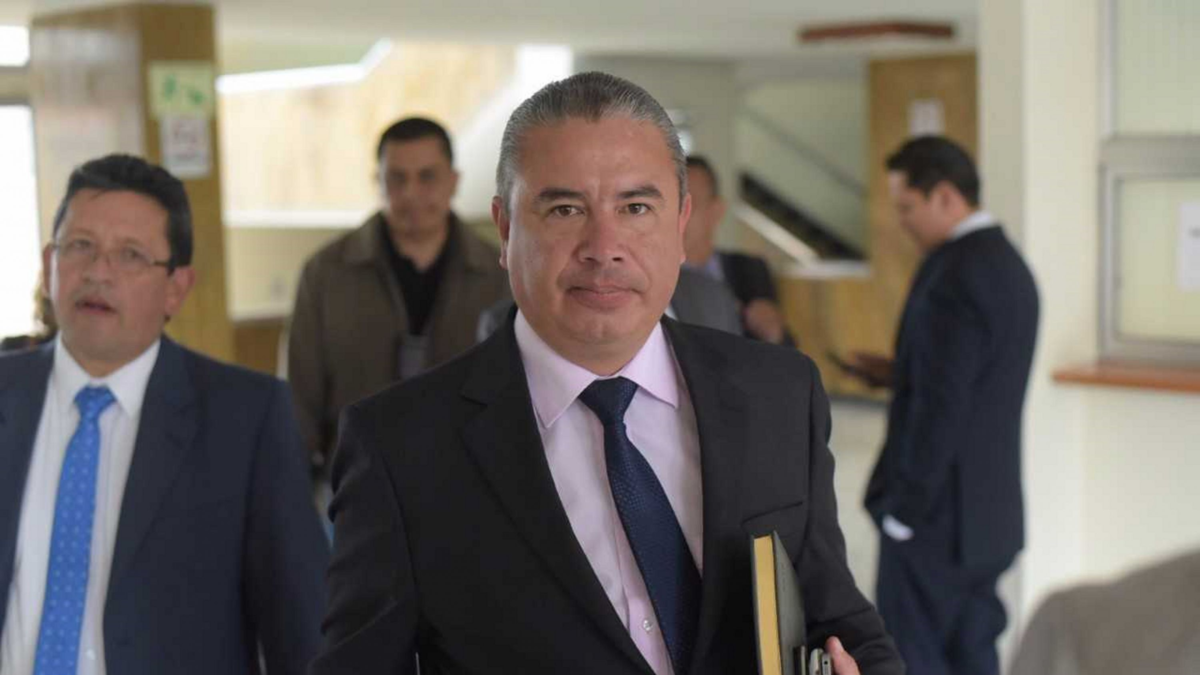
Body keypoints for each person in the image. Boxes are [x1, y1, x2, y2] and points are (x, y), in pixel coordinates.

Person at [313, 72, 902, 675]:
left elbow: (840, 622)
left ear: (681, 224)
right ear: (506, 228)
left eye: (636, 207)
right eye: (565, 209)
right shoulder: (400, 448)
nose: (604, 246)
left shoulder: (779, 395)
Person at [0, 154, 328, 674]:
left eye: (130, 255)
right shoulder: (9, 393)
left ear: (176, 287)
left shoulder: (245, 420)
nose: (98, 272)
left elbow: (304, 630)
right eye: (80, 246)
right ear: (49, 264)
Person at [846, 136, 1039, 675]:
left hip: (934, 521)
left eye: (907, 207)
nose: (901, 222)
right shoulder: (1008, 266)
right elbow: (978, 382)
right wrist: (900, 372)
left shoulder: (953, 274)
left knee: (914, 659)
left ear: (946, 196)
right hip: (989, 519)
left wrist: (903, 513)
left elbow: (942, 410)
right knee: (974, 657)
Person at [287, 117, 510, 481]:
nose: (411, 193)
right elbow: (299, 399)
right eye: (397, 178)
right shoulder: (325, 274)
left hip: (469, 482)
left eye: (427, 177)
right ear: (377, 182)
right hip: (355, 481)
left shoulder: (501, 273)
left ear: (453, 181)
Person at [683, 155, 795, 346]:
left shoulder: (750, 271)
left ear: (716, 211)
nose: (679, 217)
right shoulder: (655, 275)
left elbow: (784, 350)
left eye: (689, 206)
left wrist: (773, 333)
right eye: (673, 205)